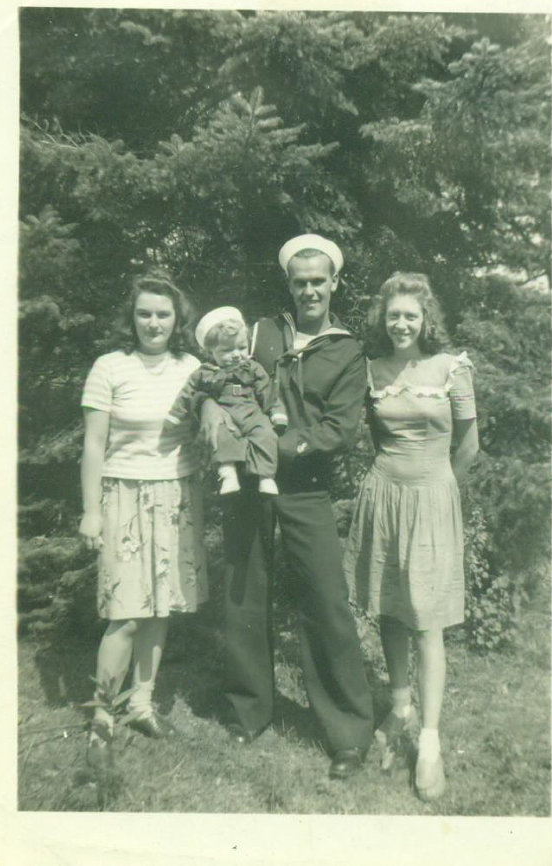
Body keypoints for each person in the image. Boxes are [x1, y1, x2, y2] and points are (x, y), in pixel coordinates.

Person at [200, 234, 374, 780]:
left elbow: (340, 429)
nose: (309, 291)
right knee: (244, 589)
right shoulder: (260, 333)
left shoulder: (347, 350)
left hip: (304, 485)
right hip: (250, 482)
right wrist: (207, 406)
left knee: (325, 599)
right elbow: (219, 373)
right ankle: (248, 711)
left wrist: (281, 446)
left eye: (318, 281)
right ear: (289, 285)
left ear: (334, 283)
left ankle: (347, 731)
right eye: (300, 282)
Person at [343, 272, 479, 801]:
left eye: (411, 316)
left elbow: (469, 446)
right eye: (393, 315)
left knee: (428, 621)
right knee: (391, 608)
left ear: (427, 320)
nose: (401, 324)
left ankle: (429, 741)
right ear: (384, 319)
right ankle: (400, 707)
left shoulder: (452, 368)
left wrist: (440, 491)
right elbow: (372, 436)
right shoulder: (373, 370)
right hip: (384, 496)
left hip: (432, 498)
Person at [78, 267, 208, 768]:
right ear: (131, 319)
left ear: (178, 320)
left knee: (159, 608)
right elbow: (93, 443)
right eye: (144, 314)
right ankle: (102, 717)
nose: (153, 323)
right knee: (124, 614)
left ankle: (141, 704)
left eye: (163, 314)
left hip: (176, 494)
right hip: (123, 495)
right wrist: (91, 511)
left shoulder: (192, 367)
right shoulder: (109, 366)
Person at [167, 306, 287, 496]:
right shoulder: (205, 372)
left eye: (241, 347)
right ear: (210, 352)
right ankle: (228, 473)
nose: (237, 354)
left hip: (251, 413)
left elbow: (267, 391)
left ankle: (266, 477)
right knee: (219, 434)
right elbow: (187, 392)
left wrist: (277, 412)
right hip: (225, 416)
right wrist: (175, 415)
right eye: (227, 350)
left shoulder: (252, 368)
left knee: (265, 433)